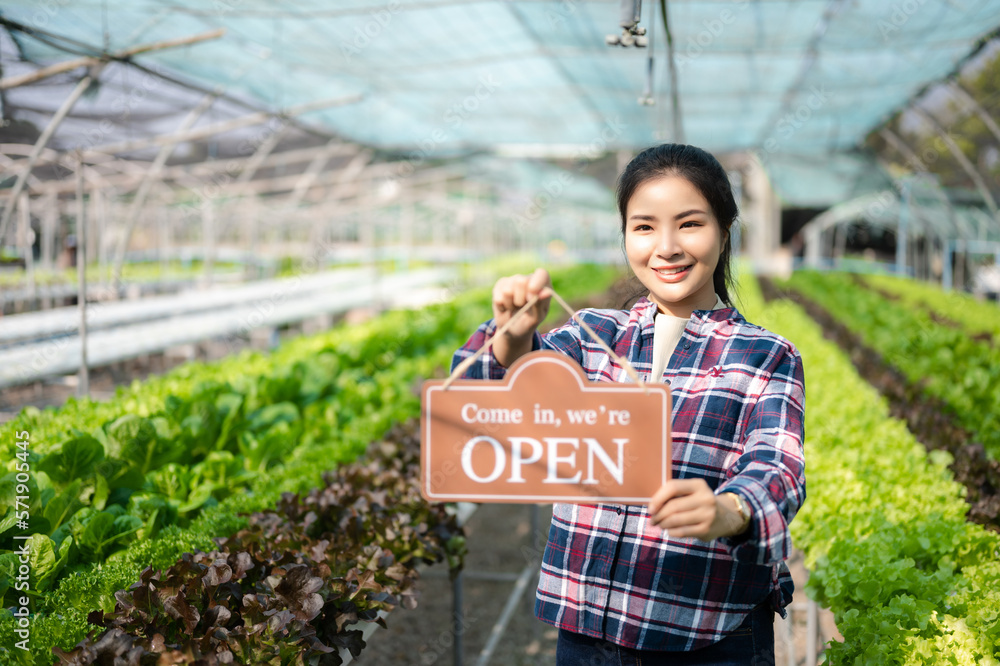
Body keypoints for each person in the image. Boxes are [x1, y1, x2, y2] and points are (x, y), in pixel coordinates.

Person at [451, 143, 805, 665]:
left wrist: (727, 511)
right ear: (624, 236)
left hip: (705, 636)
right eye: (644, 227)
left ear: (725, 230)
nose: (666, 247)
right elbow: (484, 399)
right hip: (586, 635)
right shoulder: (592, 334)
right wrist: (510, 336)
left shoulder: (764, 355)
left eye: (689, 224)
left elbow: (778, 468)